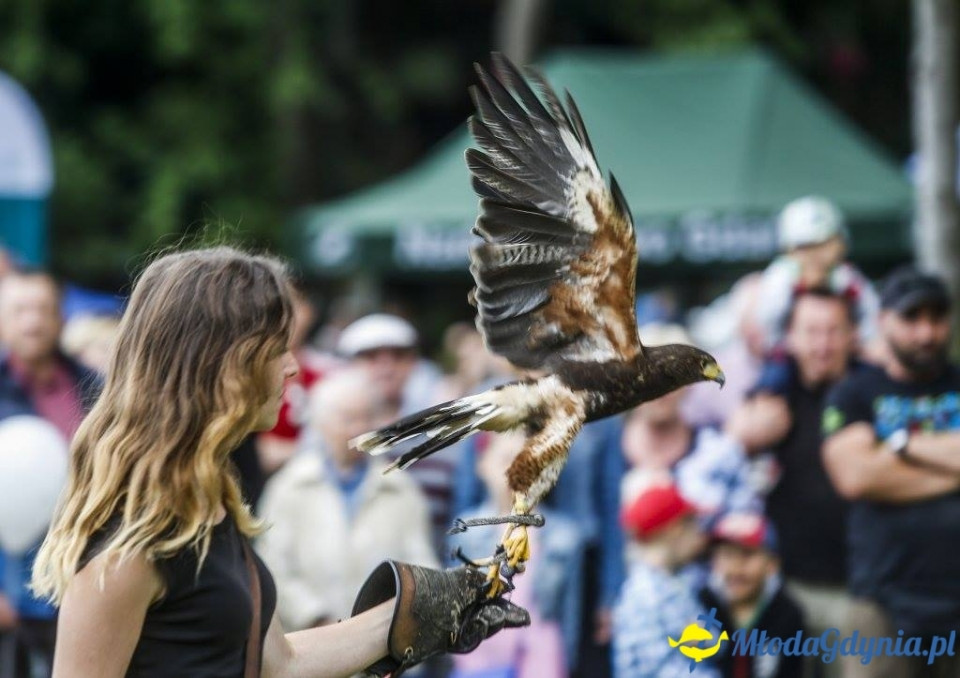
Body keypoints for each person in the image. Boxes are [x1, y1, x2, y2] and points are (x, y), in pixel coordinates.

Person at [29, 247, 527, 678]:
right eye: (275, 349)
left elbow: (277, 663)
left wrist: (418, 612)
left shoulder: (209, 502)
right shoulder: (129, 539)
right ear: (221, 362)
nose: (292, 366)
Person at [822, 267, 960, 678]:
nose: (926, 333)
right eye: (911, 319)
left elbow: (876, 468)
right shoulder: (856, 392)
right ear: (883, 321)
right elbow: (856, 477)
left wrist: (900, 446)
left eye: (936, 318)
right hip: (882, 603)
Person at [726, 287, 857, 671]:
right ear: (791, 338)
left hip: (858, 591)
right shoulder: (775, 397)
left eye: (833, 331)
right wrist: (744, 433)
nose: (823, 344)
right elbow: (728, 448)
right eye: (811, 331)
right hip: (787, 589)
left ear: (852, 335)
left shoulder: (869, 393)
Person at [256, 369, 438, 630]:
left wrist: (393, 620)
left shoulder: (400, 487)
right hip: (309, 643)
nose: (360, 428)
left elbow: (422, 566)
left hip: (386, 644)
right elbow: (272, 565)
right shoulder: (289, 487)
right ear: (321, 424)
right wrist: (316, 616)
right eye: (348, 419)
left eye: (367, 418)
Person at [0, 269, 102, 677]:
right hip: (8, 577)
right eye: (20, 309)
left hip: (77, 569)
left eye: (43, 309)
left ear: (61, 317)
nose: (33, 321)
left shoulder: (92, 384)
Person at [448, 431, 580, 678]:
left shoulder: (564, 538)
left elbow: (569, 618)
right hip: (480, 661)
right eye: (506, 461)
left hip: (541, 664)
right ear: (483, 466)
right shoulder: (466, 533)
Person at [337, 313, 449, 546]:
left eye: (398, 356)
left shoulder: (441, 429)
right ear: (348, 365)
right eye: (371, 357)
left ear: (414, 363)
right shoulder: (329, 432)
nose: (386, 367)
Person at [612, 480, 718, 678]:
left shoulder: (669, 582)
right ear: (676, 530)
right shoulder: (648, 592)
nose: (700, 535)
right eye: (694, 524)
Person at [752, 196, 879, 354]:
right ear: (790, 249)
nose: (818, 254)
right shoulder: (781, 276)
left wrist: (855, 340)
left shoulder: (845, 276)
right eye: (807, 247)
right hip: (789, 357)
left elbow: (871, 319)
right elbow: (767, 328)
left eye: (825, 243)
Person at [699, 512, 804, 678]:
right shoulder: (701, 606)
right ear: (714, 561)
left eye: (747, 554)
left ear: (772, 564)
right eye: (727, 555)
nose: (736, 567)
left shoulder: (787, 613)